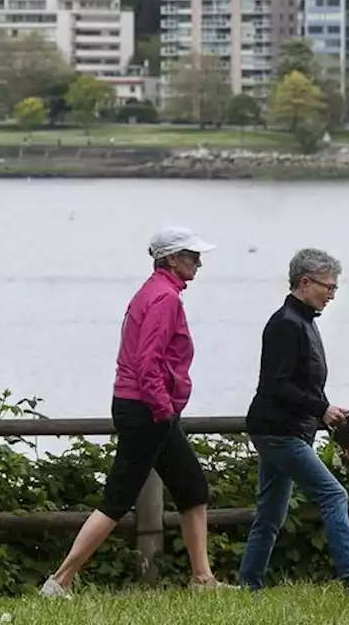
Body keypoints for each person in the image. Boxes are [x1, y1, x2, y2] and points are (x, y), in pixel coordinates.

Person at [41, 226, 234, 597]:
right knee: (117, 498)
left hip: (148, 407)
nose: (199, 262)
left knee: (193, 488)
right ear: (171, 259)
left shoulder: (155, 292)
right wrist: (163, 409)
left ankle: (202, 579)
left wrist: (164, 410)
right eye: (192, 256)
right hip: (147, 408)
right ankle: (60, 581)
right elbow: (148, 362)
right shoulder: (164, 298)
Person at [237, 248, 349, 593]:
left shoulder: (304, 322)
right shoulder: (286, 324)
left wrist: (339, 429)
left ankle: (249, 583)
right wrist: (321, 409)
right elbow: (276, 385)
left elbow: (306, 387)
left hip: (283, 428)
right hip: (279, 431)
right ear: (304, 282)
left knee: (270, 514)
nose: (332, 294)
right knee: (333, 495)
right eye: (328, 286)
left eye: (334, 288)